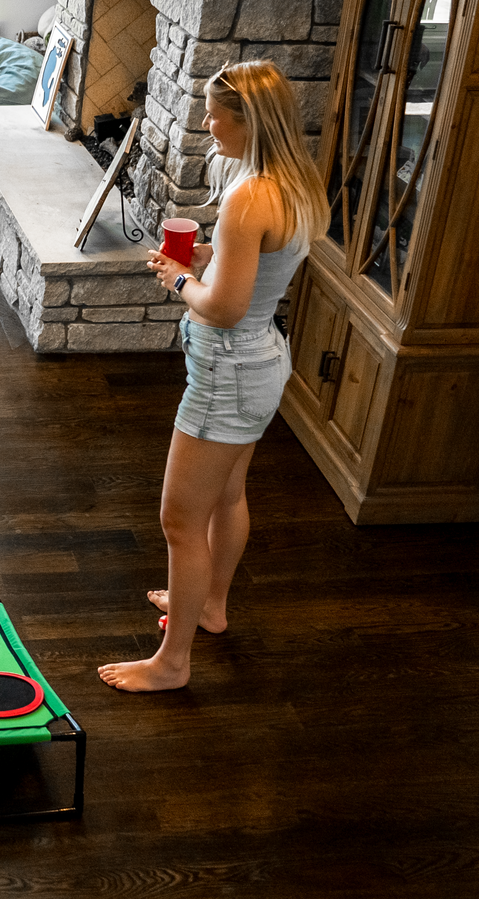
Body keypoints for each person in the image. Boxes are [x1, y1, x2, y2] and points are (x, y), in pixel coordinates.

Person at [98, 61, 329, 693]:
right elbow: (257, 268)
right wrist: (212, 256)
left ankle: (172, 663)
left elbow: (223, 308)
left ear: (247, 119)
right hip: (262, 362)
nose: (206, 123)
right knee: (227, 495)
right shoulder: (296, 183)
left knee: (179, 520)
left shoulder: (251, 194)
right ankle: (210, 606)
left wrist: (180, 279)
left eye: (213, 112)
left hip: (227, 370)